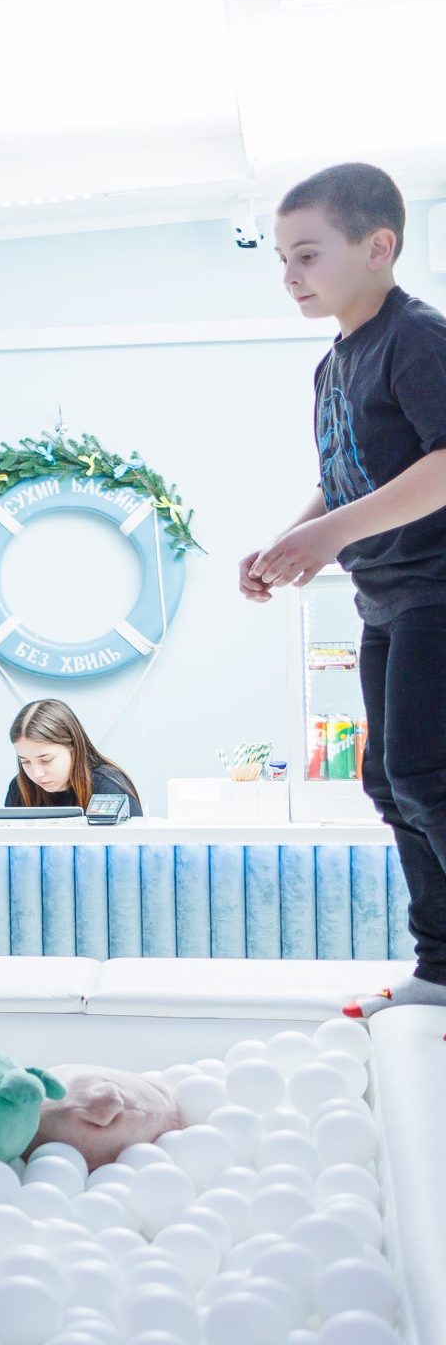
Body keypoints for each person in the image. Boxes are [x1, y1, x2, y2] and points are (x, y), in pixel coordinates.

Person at [242, 163, 446, 1019]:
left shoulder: (417, 338)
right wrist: (292, 539)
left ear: (378, 246)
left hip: (436, 588)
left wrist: (328, 536)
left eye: (308, 254)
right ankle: (440, 965)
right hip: (384, 596)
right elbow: (347, 476)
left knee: (427, 774)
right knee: (390, 783)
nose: (290, 274)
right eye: (282, 258)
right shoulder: (333, 365)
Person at [4, 699, 143, 815]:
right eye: (25, 761)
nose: (37, 774)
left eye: (46, 760)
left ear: (74, 748)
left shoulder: (109, 788)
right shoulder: (20, 787)